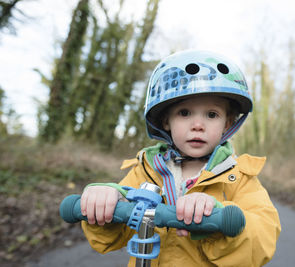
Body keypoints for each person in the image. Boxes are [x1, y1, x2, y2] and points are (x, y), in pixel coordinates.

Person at [80, 50, 281, 266]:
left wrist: (219, 219)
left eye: (212, 115)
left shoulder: (239, 177)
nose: (197, 125)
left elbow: (262, 238)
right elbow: (110, 238)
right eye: (184, 113)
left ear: (228, 124)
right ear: (166, 121)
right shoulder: (147, 170)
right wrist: (105, 203)